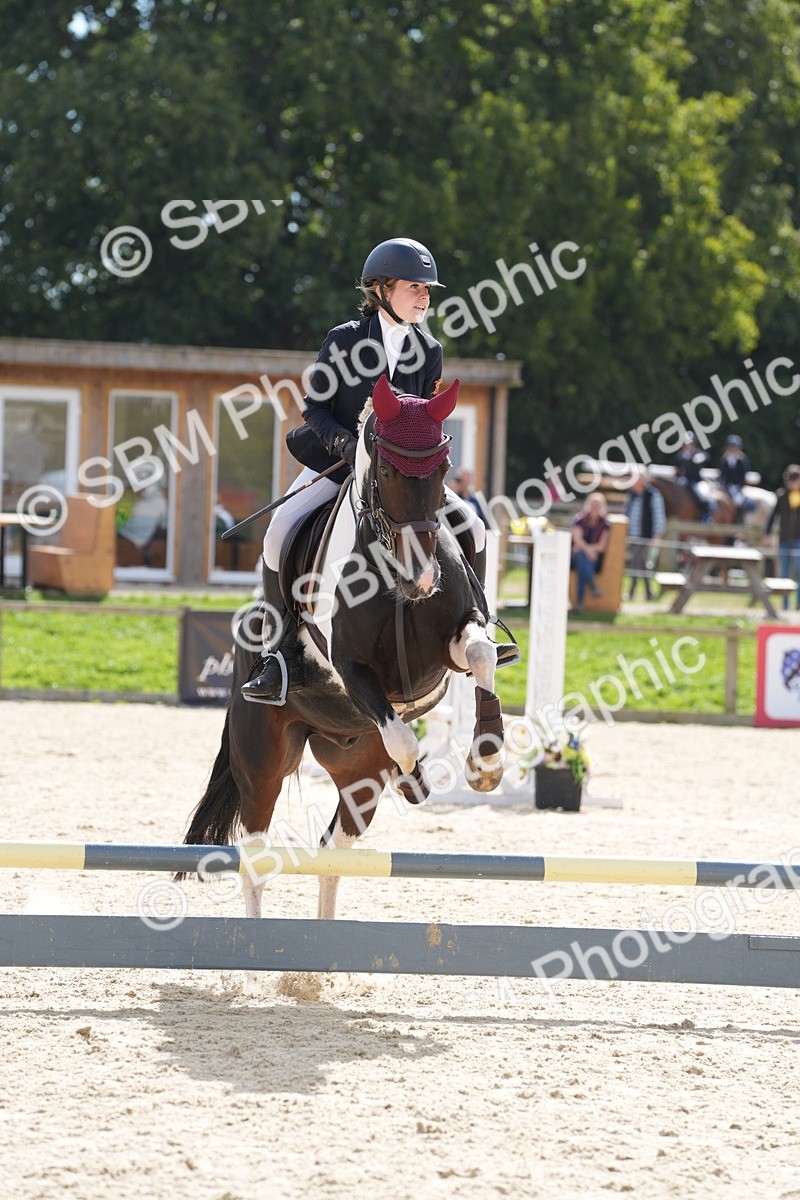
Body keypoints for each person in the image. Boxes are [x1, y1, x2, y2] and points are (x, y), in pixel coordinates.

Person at [241, 237, 500, 705]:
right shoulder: (344, 340)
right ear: (380, 289)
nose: (424, 296)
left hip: (404, 478)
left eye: (427, 289)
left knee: (476, 528)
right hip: (339, 465)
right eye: (414, 287)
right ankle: (282, 656)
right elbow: (315, 409)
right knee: (277, 534)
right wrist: (343, 443)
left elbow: (426, 419)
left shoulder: (429, 350)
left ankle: (477, 622)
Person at [624, 470, 665, 601]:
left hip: (646, 537)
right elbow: (626, 514)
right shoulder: (632, 495)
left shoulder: (653, 495)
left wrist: (657, 536)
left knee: (637, 563)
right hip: (632, 536)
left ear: (641, 480)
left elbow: (659, 516)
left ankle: (632, 591)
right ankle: (649, 593)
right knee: (641, 564)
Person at [764, 464, 800, 610]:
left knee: (799, 573)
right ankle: (785, 604)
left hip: (798, 540)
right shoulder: (781, 496)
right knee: (784, 574)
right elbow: (773, 516)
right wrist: (767, 534)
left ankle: (798, 603)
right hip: (784, 540)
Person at [570, 492, 610, 612]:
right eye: (593, 504)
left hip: (593, 560)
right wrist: (589, 551)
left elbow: (602, 546)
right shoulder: (579, 519)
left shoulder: (605, 523)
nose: (595, 508)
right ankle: (592, 585)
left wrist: (586, 550)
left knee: (582, 564)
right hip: (577, 558)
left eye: (598, 505)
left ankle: (579, 603)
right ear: (588, 505)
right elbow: (577, 540)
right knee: (582, 557)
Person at [674, 435, 714, 521]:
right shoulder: (680, 456)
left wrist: (702, 457)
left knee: (702, 495)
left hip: (695, 481)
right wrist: (680, 477)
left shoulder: (697, 454)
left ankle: (706, 515)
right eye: (685, 444)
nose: (687, 446)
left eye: (689, 444)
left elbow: (707, 456)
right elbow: (677, 470)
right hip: (683, 481)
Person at [717, 435, 755, 522]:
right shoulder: (724, 460)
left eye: (734, 447)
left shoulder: (742, 460)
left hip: (737, 486)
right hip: (726, 486)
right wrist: (723, 485)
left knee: (738, 501)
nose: (732, 449)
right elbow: (722, 475)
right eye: (731, 447)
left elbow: (743, 476)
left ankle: (738, 520)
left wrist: (737, 487)